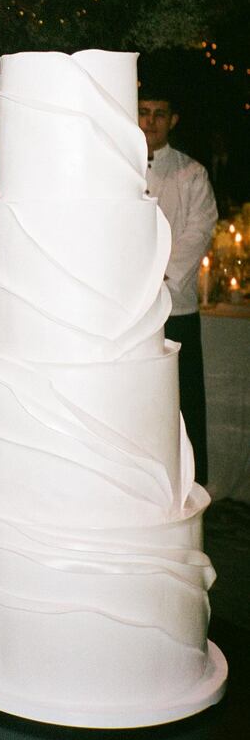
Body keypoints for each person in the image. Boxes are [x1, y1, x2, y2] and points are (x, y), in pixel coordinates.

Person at [139, 96, 218, 485]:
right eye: (143, 112)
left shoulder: (192, 173)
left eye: (159, 114)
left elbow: (199, 231)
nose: (150, 121)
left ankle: (190, 486)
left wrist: (161, 279)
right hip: (130, 307)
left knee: (182, 403)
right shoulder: (118, 166)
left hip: (175, 305)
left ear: (173, 119)